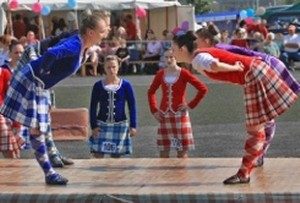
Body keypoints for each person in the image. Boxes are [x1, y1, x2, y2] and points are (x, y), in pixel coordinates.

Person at [171, 30, 298, 184]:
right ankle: (247, 169)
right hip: (256, 71)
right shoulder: (200, 55)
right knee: (258, 127)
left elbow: (214, 65)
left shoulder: (198, 59)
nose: (171, 53)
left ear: (182, 49)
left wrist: (234, 68)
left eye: (173, 49)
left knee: (255, 129)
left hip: (253, 74)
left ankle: (244, 173)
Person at [0, 11, 111, 185]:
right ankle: (49, 173)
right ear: (90, 32)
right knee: (37, 129)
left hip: (38, 83)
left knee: (42, 125)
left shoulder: (82, 43)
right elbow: (51, 53)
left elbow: (67, 44)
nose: (106, 33)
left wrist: (92, 52)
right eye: (103, 30)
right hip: (32, 81)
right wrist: (44, 71)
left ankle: (51, 164)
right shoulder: (76, 45)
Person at [195, 25, 300, 167]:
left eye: (197, 41)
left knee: (265, 119)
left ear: (206, 41)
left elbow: (235, 61)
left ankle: (259, 155)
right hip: (266, 66)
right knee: (266, 119)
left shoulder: (216, 50)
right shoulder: (217, 48)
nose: (194, 44)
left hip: (266, 66)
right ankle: (259, 155)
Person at [17, 31, 78, 167]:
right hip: (34, 63)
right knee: (40, 120)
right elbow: (49, 55)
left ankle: (53, 154)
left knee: (45, 118)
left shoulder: (79, 41)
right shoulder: (76, 40)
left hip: (42, 72)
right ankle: (51, 158)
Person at [147, 49, 208, 158]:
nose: (169, 60)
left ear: (176, 58)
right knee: (164, 150)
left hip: (180, 115)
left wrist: (189, 105)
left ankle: (182, 174)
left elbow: (202, 89)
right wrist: (154, 110)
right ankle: (163, 175)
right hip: (164, 116)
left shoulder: (183, 73)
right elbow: (151, 92)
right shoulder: (160, 74)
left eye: (171, 57)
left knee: (181, 151)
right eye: (166, 57)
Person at [89, 55, 137, 158]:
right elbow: (93, 107)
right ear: (104, 68)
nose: (111, 70)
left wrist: (133, 125)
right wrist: (94, 126)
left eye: (114, 67)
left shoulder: (126, 85)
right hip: (101, 125)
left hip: (120, 125)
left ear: (118, 67)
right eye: (108, 67)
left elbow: (132, 106)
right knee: (97, 154)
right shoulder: (98, 85)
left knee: (116, 157)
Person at [0, 41, 24, 158]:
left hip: (20, 114)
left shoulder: (26, 71)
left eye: (21, 53)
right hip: (8, 114)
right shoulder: (4, 71)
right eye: (16, 52)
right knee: (10, 148)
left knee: (15, 148)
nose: (19, 55)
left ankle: (17, 172)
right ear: (10, 54)